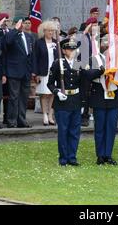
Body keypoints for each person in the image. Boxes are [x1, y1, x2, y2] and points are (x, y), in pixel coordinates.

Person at [84, 35, 118, 165]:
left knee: (111, 127)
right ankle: (100, 155)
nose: (107, 45)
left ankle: (108, 154)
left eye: (109, 43)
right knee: (100, 127)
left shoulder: (117, 60)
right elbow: (87, 75)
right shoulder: (94, 59)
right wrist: (101, 71)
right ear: (100, 44)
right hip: (99, 96)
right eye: (104, 42)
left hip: (113, 97)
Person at [47, 38, 83, 166]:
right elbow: (50, 83)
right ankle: (63, 158)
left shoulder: (79, 63)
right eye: (69, 49)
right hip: (62, 102)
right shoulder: (58, 64)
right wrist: (57, 92)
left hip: (76, 101)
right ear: (63, 50)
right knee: (63, 131)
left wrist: (82, 101)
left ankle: (72, 157)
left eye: (73, 49)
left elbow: (82, 83)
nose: (72, 51)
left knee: (74, 131)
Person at [3, 17, 34, 128]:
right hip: (14, 71)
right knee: (14, 97)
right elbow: (7, 41)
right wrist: (15, 29)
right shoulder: (11, 35)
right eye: (21, 23)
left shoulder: (28, 36)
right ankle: (11, 121)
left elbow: (30, 55)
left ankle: (22, 119)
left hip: (26, 71)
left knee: (24, 97)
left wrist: (32, 71)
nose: (23, 25)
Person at [33, 21, 59, 126]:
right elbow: (35, 58)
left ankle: (50, 115)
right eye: (49, 30)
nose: (51, 32)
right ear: (44, 31)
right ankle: (44, 114)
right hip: (43, 71)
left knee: (53, 93)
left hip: (54, 71)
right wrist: (36, 73)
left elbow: (59, 57)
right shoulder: (39, 42)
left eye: (53, 31)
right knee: (44, 94)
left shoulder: (56, 42)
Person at [79, 17, 100, 127]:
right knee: (85, 93)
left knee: (95, 91)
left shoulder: (98, 38)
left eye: (96, 25)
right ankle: (84, 115)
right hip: (86, 68)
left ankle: (95, 114)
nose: (95, 27)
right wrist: (85, 32)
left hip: (97, 68)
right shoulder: (84, 37)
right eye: (93, 25)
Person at [0, 12, 11, 125]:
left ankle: (7, 117)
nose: (6, 23)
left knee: (8, 95)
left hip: (11, 67)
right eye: (4, 20)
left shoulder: (10, 32)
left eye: (7, 21)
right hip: (0, 67)